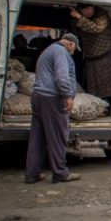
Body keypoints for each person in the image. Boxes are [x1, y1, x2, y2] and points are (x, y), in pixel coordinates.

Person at [25, 33, 81, 184]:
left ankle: (32, 174)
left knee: (37, 137)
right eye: (74, 48)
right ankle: (60, 172)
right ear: (70, 43)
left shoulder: (48, 50)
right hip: (52, 98)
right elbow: (61, 77)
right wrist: (67, 96)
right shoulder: (61, 52)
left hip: (38, 96)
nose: (73, 52)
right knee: (57, 137)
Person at [70, 3, 111, 103]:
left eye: (89, 8)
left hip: (106, 53)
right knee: (93, 86)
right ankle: (96, 104)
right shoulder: (77, 17)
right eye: (84, 9)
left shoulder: (103, 14)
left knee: (107, 84)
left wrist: (79, 17)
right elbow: (74, 29)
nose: (87, 11)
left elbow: (96, 28)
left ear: (93, 6)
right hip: (90, 55)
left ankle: (107, 105)